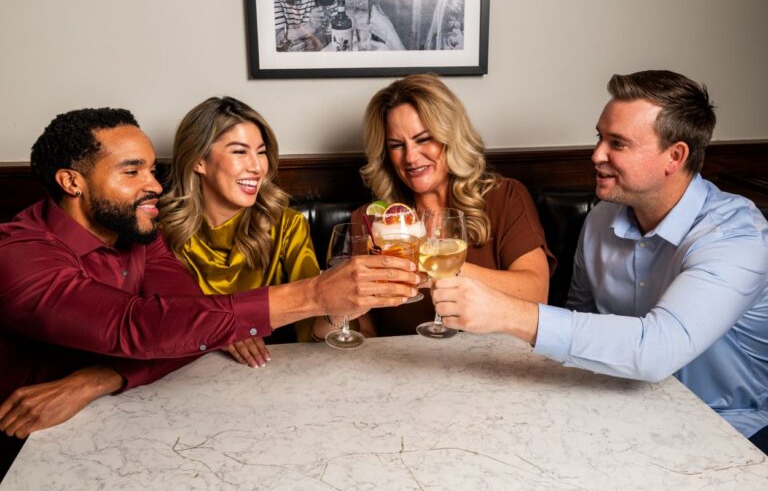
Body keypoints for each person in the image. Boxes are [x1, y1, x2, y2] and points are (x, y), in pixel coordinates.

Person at [0, 107, 419, 475]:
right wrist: (313, 295)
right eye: (132, 172)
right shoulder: (18, 254)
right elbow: (144, 326)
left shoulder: (139, 236)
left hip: (117, 422)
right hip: (22, 441)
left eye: (151, 170)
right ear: (72, 182)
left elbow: (187, 325)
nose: (155, 186)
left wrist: (97, 380)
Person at [431, 70, 768, 454]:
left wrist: (509, 313)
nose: (596, 155)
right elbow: (581, 324)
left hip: (731, 434)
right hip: (621, 419)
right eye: (599, 137)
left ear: (674, 156)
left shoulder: (735, 237)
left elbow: (656, 350)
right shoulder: (601, 220)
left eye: (617, 144)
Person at [352, 74, 555, 336]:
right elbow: (363, 333)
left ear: (451, 136)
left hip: (492, 365)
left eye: (424, 139)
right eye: (396, 145)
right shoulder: (372, 220)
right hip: (405, 369)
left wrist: (439, 268)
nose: (411, 157)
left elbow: (537, 294)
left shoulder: (504, 197)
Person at [160, 96, 323, 360]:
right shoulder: (161, 233)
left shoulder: (287, 226)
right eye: (239, 151)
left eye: (261, 152)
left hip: (273, 372)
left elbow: (313, 331)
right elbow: (161, 324)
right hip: (183, 376)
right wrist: (220, 329)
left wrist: (339, 311)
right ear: (199, 160)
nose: (257, 166)